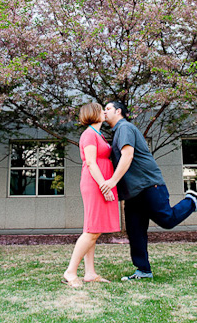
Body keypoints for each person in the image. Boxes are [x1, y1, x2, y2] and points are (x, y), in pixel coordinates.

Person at [99, 101, 197, 281]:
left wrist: (111, 182)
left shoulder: (125, 127)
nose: (104, 112)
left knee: (167, 220)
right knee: (135, 231)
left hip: (149, 185)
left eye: (108, 108)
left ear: (119, 111)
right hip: (133, 193)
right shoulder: (117, 132)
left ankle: (191, 201)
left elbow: (128, 155)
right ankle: (143, 270)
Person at [62, 102, 120, 287]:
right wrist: (105, 185)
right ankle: (70, 272)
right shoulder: (88, 134)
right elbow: (91, 163)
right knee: (92, 230)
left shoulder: (98, 134)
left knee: (93, 229)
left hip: (100, 181)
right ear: (93, 114)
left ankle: (90, 273)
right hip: (95, 183)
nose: (104, 112)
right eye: (101, 109)